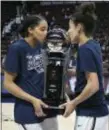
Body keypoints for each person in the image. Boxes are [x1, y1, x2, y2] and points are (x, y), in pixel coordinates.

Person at [4, 15, 59, 130]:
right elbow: (8, 84)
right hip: (28, 110)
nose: (46, 33)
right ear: (30, 30)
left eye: (47, 29)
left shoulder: (44, 47)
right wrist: (33, 100)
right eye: (42, 29)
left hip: (48, 107)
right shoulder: (17, 48)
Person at [60, 3, 109, 130]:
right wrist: (74, 71)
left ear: (79, 27)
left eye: (70, 27)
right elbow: (93, 71)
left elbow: (93, 85)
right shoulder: (93, 44)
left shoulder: (85, 49)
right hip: (93, 113)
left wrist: (72, 103)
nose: (68, 31)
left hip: (91, 113)